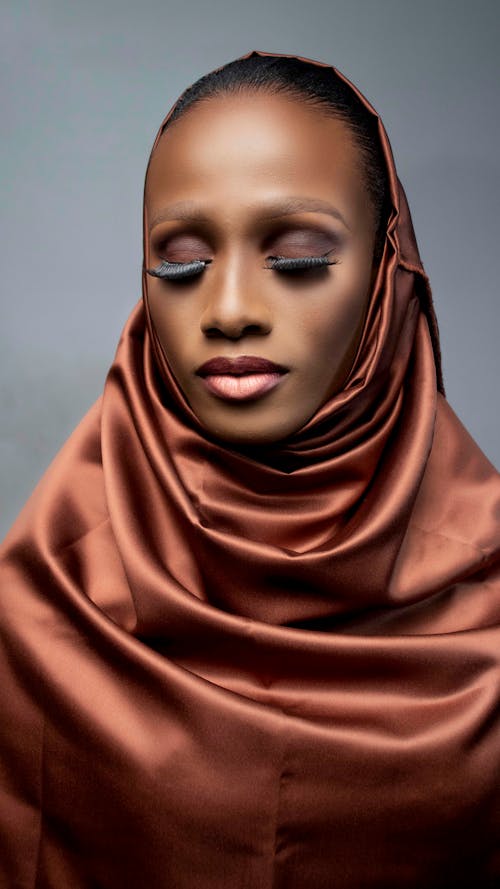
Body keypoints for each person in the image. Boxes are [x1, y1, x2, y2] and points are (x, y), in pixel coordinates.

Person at [1, 49, 499, 889]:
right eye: (180, 264)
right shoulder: (46, 597)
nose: (228, 310)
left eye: (298, 258)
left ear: (388, 275)